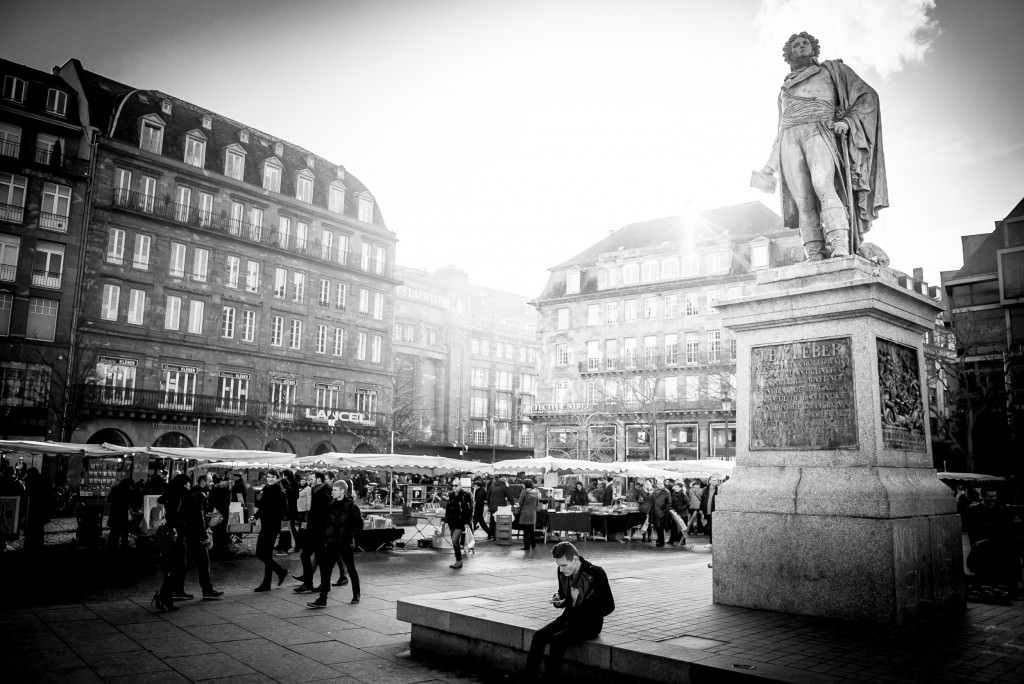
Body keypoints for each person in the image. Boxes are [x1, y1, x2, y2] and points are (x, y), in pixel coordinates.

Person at [759, 31, 887, 261]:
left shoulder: (833, 71)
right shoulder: (783, 90)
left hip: (820, 130)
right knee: (803, 200)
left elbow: (868, 97)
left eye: (805, 43)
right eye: (795, 45)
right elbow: (781, 128)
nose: (801, 47)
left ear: (814, 48)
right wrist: (769, 165)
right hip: (789, 138)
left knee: (823, 185)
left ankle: (840, 244)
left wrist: (847, 122)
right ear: (788, 54)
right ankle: (814, 252)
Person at [522, 542, 615, 679]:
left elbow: (609, 606)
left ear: (575, 559)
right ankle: (528, 677)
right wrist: (559, 599)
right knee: (539, 636)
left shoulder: (595, 573)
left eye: (564, 565)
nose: (561, 569)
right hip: (568, 618)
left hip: (589, 623)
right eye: (558, 566)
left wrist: (586, 612)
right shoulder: (563, 572)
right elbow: (564, 595)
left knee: (557, 641)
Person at [307, 479, 362, 608]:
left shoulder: (352, 507)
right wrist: (326, 536)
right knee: (326, 570)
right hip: (331, 543)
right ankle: (323, 598)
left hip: (345, 543)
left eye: (335, 490)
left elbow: (358, 526)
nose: (332, 492)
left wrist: (348, 537)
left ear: (342, 491)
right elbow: (326, 523)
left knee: (351, 568)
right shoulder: (331, 505)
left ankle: (356, 593)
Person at [965, 485, 1021, 596]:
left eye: (994, 496)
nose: (992, 499)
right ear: (982, 496)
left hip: (998, 544)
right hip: (983, 546)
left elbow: (1007, 529)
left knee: (1014, 549)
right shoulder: (974, 511)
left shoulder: (1000, 510)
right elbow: (973, 534)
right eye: (989, 496)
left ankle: (1012, 585)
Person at [177, 475, 223, 600]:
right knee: (203, 562)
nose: (212, 483)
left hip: (189, 533)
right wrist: (204, 536)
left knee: (186, 563)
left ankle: (178, 590)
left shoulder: (194, 494)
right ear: (203, 482)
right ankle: (207, 591)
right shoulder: (199, 495)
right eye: (210, 481)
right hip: (196, 535)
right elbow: (199, 517)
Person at [153, 475, 191, 612]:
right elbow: (175, 517)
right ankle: (165, 597)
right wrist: (184, 525)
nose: (189, 486)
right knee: (177, 567)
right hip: (176, 536)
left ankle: (165, 596)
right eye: (187, 483)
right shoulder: (180, 497)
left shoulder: (170, 495)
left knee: (173, 567)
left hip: (171, 535)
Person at [294, 471, 333, 593]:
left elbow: (322, 516)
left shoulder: (323, 494)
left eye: (311, 479)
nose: (309, 482)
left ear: (319, 480)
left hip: (319, 533)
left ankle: (321, 585)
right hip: (314, 532)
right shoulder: (316, 491)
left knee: (319, 559)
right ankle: (310, 582)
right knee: (307, 556)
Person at [253, 470, 289, 592]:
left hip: (272, 526)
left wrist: (271, 515)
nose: (270, 479)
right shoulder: (266, 489)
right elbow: (262, 507)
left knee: (264, 553)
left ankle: (275, 576)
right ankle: (275, 576)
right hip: (265, 525)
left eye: (273, 477)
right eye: (268, 477)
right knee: (261, 553)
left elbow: (284, 511)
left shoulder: (280, 492)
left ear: (277, 478)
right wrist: (255, 517)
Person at [445, 478, 474, 569]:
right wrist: (446, 519)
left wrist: (466, 522)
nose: (454, 487)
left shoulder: (465, 495)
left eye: (456, 485)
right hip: (452, 521)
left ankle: (459, 560)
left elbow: (468, 511)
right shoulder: (451, 495)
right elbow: (448, 508)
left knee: (454, 540)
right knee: (455, 542)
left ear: (460, 486)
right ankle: (458, 561)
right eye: (452, 485)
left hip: (461, 522)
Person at [106, 476, 135, 551]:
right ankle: (124, 547)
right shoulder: (128, 490)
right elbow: (131, 502)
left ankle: (111, 547)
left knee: (114, 532)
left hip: (115, 513)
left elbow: (109, 499)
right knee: (124, 532)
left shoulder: (115, 488)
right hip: (123, 514)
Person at [517, 479, 542, 552]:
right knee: (531, 530)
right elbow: (537, 503)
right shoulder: (536, 492)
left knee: (525, 530)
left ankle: (527, 546)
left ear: (525, 485)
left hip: (525, 512)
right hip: (533, 512)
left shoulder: (524, 492)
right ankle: (533, 545)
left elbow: (520, 502)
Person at [648, 479, 671, 547]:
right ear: (657, 485)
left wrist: (663, 511)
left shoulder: (666, 492)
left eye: (661, 484)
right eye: (658, 484)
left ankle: (661, 541)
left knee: (661, 527)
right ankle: (658, 539)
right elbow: (651, 500)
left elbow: (669, 503)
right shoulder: (655, 491)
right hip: (655, 512)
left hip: (662, 512)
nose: (660, 485)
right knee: (657, 527)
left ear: (663, 485)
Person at [669, 481, 689, 547]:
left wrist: (681, 508)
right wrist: (672, 509)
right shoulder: (674, 494)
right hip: (675, 513)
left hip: (683, 513)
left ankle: (683, 541)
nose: (675, 488)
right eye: (675, 487)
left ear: (681, 488)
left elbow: (687, 504)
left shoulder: (683, 494)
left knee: (682, 527)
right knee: (674, 527)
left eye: (677, 487)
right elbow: (672, 502)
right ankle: (672, 540)